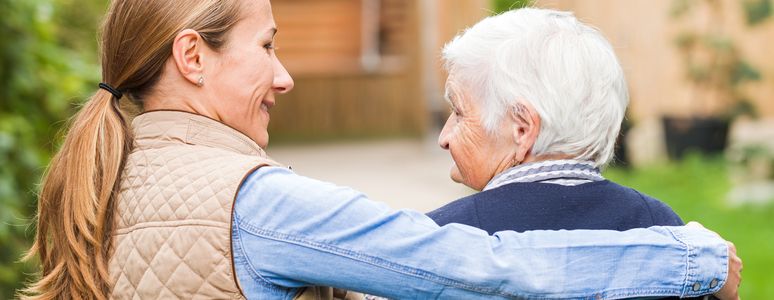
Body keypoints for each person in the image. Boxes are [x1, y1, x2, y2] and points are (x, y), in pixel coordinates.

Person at [23, 0, 740, 299]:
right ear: (193, 56)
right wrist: (695, 258)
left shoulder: (109, 175)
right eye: (267, 46)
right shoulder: (252, 203)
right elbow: (477, 270)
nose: (284, 75)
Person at [425, 8, 736, 299]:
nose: (444, 137)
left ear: (521, 129)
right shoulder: (669, 235)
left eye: (459, 111)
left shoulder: (436, 242)